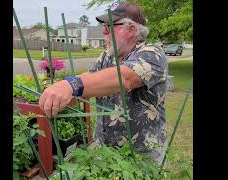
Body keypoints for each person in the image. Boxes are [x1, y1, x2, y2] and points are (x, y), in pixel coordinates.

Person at [39, 2, 168, 164]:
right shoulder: (108, 55)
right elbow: (91, 77)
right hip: (105, 150)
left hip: (140, 156)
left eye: (111, 25)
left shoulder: (153, 55)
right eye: (104, 25)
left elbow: (124, 78)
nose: (104, 30)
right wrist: (60, 87)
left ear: (132, 30)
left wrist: (71, 85)